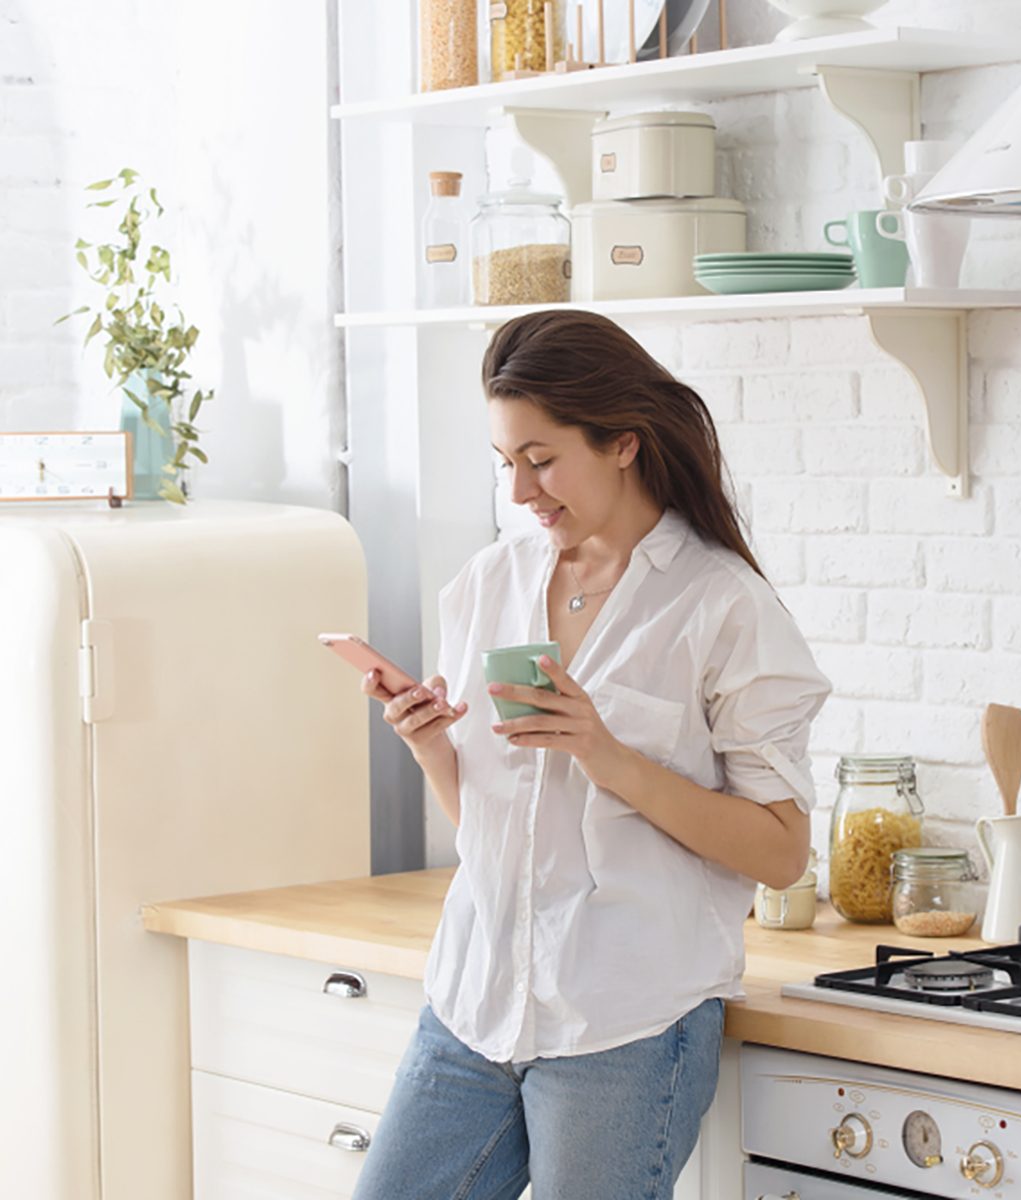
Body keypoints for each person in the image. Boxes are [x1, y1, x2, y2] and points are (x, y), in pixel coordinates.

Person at [352, 309, 830, 1200]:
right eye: (507, 464)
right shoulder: (490, 583)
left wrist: (608, 755)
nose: (523, 491)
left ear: (623, 443)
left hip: (627, 1021)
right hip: (476, 998)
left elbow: (780, 849)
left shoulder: (722, 607)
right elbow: (504, 827)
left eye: (541, 460)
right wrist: (431, 748)